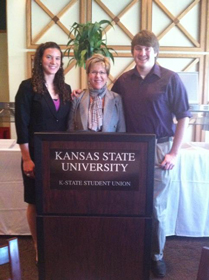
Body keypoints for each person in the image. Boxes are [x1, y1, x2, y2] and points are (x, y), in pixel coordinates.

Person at [111, 30, 191, 278]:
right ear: (132, 51)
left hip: (159, 150)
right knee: (129, 204)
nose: (142, 53)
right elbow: (107, 102)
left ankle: (155, 256)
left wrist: (174, 153)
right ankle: (132, 250)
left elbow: (184, 117)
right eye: (138, 48)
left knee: (156, 208)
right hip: (130, 151)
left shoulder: (170, 79)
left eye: (147, 48)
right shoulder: (123, 81)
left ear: (155, 52)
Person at [15, 42, 71, 264]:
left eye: (57, 58)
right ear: (40, 60)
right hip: (35, 156)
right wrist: (27, 158)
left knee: (57, 201)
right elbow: (22, 124)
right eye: (49, 57)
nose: (53, 62)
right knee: (35, 202)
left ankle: (55, 241)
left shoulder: (65, 89)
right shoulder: (27, 88)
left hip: (59, 158)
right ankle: (39, 246)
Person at [68, 53, 125, 132]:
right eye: (94, 72)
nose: (98, 76)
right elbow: (70, 130)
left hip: (110, 144)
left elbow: (121, 131)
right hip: (82, 144)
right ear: (88, 75)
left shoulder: (116, 99)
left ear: (107, 75)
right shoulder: (77, 98)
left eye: (102, 72)